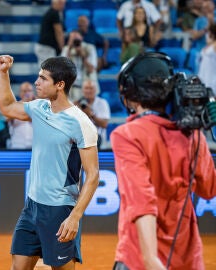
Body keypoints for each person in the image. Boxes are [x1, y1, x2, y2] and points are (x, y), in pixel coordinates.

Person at [111, 52, 216, 269]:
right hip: (188, 258)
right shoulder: (192, 134)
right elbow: (209, 189)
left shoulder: (127, 135)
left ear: (131, 91)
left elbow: (142, 201)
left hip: (140, 257)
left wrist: (151, 260)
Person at [0, 54, 99, 270]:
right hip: (32, 205)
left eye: (43, 78)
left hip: (60, 209)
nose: (37, 82)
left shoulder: (80, 123)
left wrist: (75, 217)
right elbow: (7, 106)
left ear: (60, 85)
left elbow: (93, 175)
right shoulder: (39, 108)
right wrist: (3, 73)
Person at [61, 30, 98, 101]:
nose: (75, 42)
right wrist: (69, 48)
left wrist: (83, 56)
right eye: (73, 39)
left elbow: (91, 69)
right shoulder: (66, 49)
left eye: (77, 39)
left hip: (87, 88)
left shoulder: (90, 48)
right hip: (71, 88)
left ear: (82, 38)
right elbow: (63, 68)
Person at [75, 79, 110, 150]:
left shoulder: (102, 103)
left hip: (98, 142)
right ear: (82, 90)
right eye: (86, 88)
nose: (88, 91)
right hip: (80, 142)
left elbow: (104, 124)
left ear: (95, 90)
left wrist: (91, 114)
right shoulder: (76, 104)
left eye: (91, 88)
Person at [34, 0, 66, 67]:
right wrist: (63, 50)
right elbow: (59, 32)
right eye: (61, 3)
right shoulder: (54, 13)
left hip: (46, 48)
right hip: (46, 48)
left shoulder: (53, 13)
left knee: (47, 72)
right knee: (48, 72)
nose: (63, 5)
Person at [7, 82, 35, 149]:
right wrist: (22, 104)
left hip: (35, 146)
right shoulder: (14, 106)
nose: (27, 93)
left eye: (29, 91)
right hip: (17, 145)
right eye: (24, 91)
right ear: (20, 93)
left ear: (33, 93)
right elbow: (7, 118)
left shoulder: (39, 107)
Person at [198, 23, 216, 96]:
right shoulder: (206, 48)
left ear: (211, 34)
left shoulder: (214, 47)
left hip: (212, 84)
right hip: (202, 82)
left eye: (207, 33)